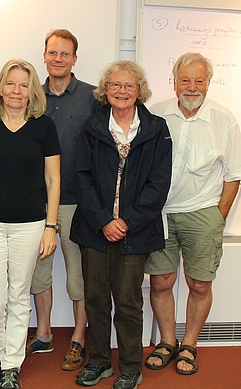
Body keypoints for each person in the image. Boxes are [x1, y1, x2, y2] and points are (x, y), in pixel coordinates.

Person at [70, 61, 172, 389]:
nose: (122, 91)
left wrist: (126, 222)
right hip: (94, 229)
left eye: (129, 86)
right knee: (96, 299)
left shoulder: (156, 128)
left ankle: (130, 366)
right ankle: (98, 361)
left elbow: (159, 184)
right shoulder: (92, 126)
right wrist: (104, 221)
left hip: (135, 231)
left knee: (128, 301)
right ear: (105, 90)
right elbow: (81, 177)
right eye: (115, 85)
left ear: (139, 90)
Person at [0, 59, 61, 389]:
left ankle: (11, 364)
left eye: (23, 85)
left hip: (30, 224)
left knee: (19, 295)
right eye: (11, 84)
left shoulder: (44, 127)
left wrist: (51, 226)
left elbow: (53, 178)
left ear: (32, 91)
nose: (16, 91)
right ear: (1, 89)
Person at [145, 52, 241, 375]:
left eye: (199, 80)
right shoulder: (155, 115)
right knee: (160, 280)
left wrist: (219, 216)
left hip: (203, 213)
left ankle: (189, 344)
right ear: (174, 82)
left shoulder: (224, 120)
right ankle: (167, 341)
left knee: (199, 284)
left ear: (208, 83)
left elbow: (233, 174)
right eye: (185, 80)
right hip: (159, 214)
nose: (191, 87)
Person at [26, 29, 100, 372]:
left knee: (77, 277)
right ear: (44, 56)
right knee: (38, 275)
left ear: (74, 58)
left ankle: (78, 339)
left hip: (75, 202)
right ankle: (43, 333)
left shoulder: (92, 97)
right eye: (52, 52)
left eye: (65, 54)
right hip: (33, 203)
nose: (58, 59)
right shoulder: (28, 96)